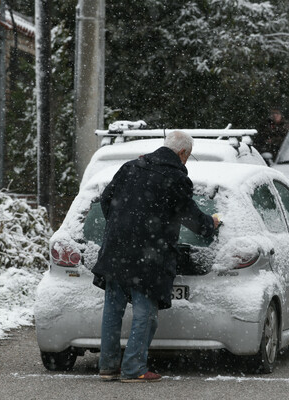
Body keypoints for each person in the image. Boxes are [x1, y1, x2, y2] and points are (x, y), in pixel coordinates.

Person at [91, 131, 219, 383]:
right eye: (187, 157)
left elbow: (106, 200)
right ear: (183, 153)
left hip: (116, 249)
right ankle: (134, 368)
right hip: (148, 256)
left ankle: (107, 366)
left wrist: (121, 227)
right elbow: (190, 216)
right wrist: (210, 224)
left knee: (113, 309)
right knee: (144, 311)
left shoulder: (130, 167)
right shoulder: (175, 178)